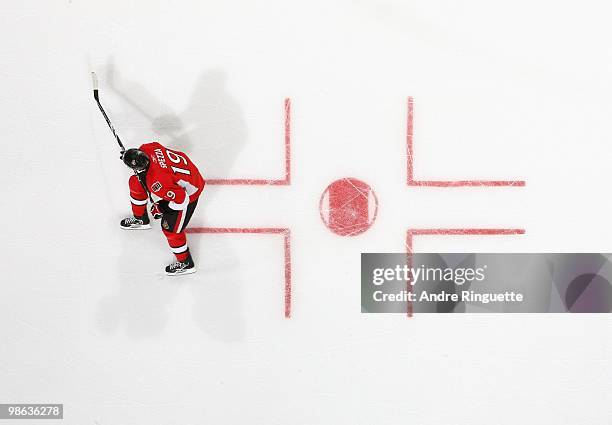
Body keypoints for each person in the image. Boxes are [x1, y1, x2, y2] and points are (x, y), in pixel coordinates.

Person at [120, 142, 204, 275]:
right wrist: (128, 156)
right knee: (136, 182)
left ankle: (186, 263)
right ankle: (141, 218)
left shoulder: (157, 183)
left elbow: (182, 200)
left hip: (190, 192)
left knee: (170, 229)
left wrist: (162, 207)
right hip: (183, 175)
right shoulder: (149, 148)